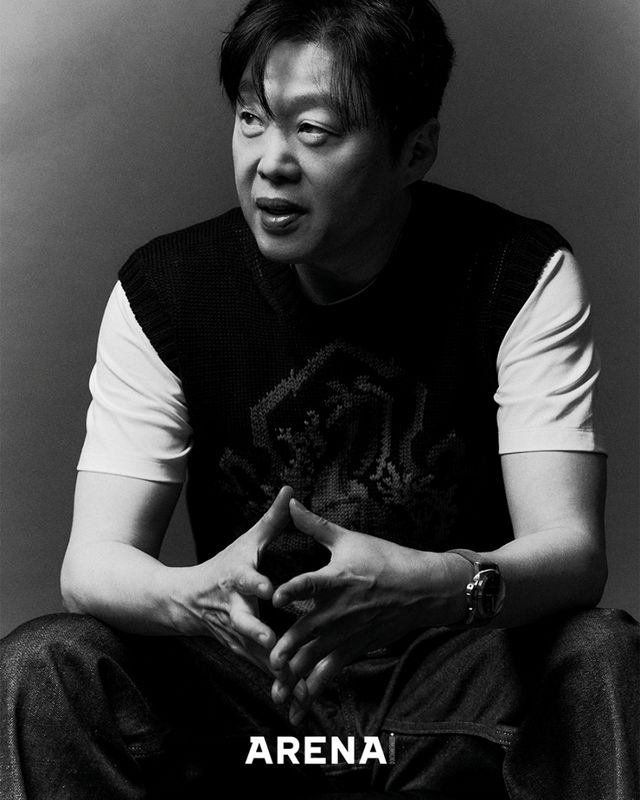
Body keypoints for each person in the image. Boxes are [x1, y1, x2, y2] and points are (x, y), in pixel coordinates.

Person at [1, 1, 638, 798]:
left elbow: (574, 553)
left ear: (415, 150)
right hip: (249, 689)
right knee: (44, 665)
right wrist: (197, 596)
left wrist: (434, 585)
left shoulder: (516, 272)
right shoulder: (167, 289)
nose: (270, 163)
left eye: (315, 131)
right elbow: (92, 563)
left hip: (444, 687)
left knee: (600, 655)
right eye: (251, 120)